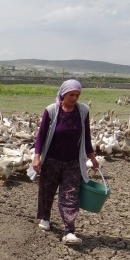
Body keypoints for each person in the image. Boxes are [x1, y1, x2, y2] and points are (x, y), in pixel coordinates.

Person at [32, 79, 99, 245]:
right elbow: (41, 135)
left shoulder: (82, 111)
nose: (75, 98)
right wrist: (37, 156)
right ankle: (45, 217)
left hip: (73, 161)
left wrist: (92, 156)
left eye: (77, 95)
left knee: (70, 195)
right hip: (52, 159)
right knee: (47, 190)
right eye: (71, 95)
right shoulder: (52, 111)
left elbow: (87, 135)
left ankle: (69, 230)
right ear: (63, 94)